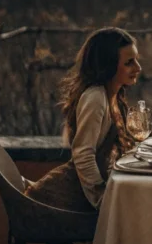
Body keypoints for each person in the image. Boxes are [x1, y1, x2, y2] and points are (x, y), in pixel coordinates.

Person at [24, 27, 143, 211]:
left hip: (87, 192)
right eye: (129, 62)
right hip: (64, 198)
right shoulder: (95, 97)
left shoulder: (114, 96)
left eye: (136, 60)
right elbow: (83, 154)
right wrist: (102, 199)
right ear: (108, 64)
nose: (138, 68)